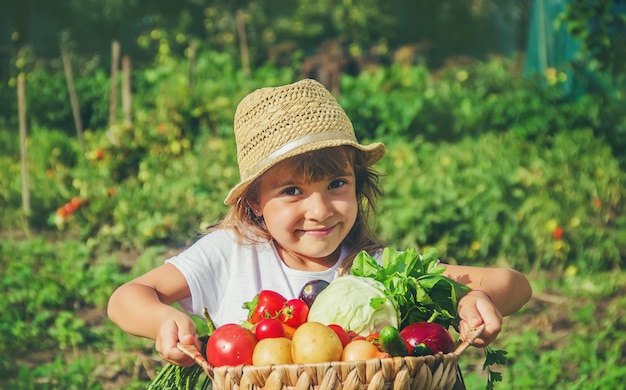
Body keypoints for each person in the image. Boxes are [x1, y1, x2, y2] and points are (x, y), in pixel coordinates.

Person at [107, 79, 532, 372]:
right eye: (292, 191)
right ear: (255, 200)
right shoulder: (229, 253)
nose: (320, 209)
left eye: (336, 184)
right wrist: (162, 321)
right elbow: (127, 298)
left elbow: (513, 284)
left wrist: (471, 298)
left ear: (358, 184)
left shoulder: (377, 272)